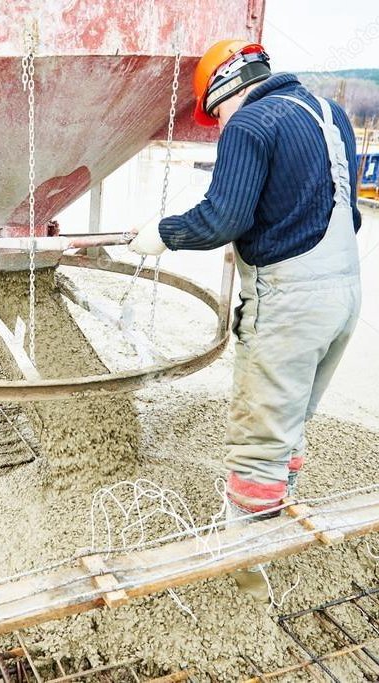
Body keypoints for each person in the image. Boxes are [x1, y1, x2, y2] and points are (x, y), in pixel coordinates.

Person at [129, 40, 362, 518]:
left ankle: (249, 574)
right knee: (290, 420)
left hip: (288, 306)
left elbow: (222, 219)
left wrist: (161, 233)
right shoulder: (329, 113)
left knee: (259, 443)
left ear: (225, 88)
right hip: (344, 296)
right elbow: (349, 213)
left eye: (217, 115)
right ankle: (280, 511)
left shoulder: (251, 123)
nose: (221, 126)